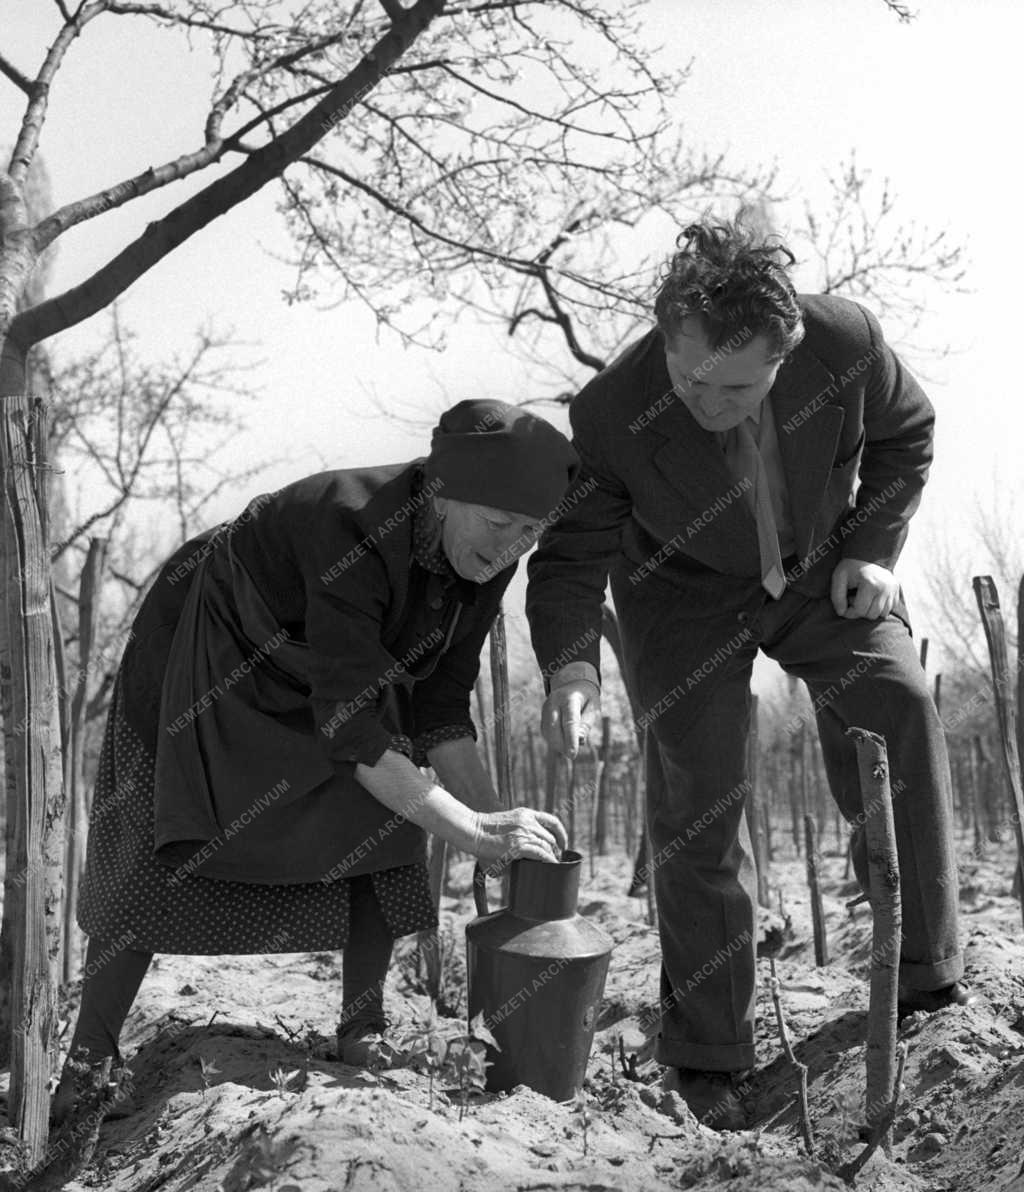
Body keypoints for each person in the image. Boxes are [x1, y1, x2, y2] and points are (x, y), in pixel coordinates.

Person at [525, 219, 970, 1130]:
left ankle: (925, 973)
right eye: (689, 378)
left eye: (735, 387)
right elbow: (570, 554)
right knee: (699, 796)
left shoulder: (843, 342)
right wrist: (572, 669)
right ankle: (709, 1054)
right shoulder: (614, 410)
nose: (705, 401)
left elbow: (908, 435)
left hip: (819, 568)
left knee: (898, 701)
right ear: (667, 337)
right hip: (677, 591)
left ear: (784, 353)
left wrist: (875, 547)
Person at [52, 398, 576, 1136]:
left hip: (329, 673)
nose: (508, 547)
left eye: (529, 533)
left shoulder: (487, 555)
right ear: (443, 492)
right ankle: (88, 1063)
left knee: (387, 813)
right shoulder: (350, 524)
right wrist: (472, 830)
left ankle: (362, 1028)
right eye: (498, 524)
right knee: (160, 830)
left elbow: (439, 707)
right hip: (214, 640)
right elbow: (355, 730)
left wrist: (491, 821)